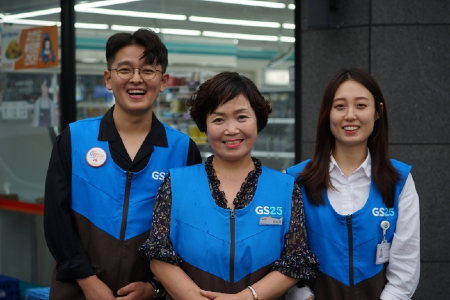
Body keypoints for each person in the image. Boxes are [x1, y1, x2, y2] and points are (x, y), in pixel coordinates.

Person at [44, 28, 202, 300]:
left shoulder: (182, 150)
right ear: (108, 78)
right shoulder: (75, 139)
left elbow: (187, 231)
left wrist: (154, 287)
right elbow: (56, 218)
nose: (136, 79)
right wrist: (87, 280)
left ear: (163, 81)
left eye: (148, 70)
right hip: (77, 291)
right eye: (125, 70)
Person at [139, 72, 319, 300]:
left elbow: (295, 261)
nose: (231, 129)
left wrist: (246, 297)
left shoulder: (285, 188)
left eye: (242, 117)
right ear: (204, 125)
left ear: (258, 120)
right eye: (218, 119)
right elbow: (158, 256)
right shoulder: (175, 184)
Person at [285, 68, 420, 300]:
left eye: (360, 105)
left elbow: (406, 262)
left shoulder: (400, 179)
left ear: (378, 112)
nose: (350, 115)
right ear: (327, 113)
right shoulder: (296, 180)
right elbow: (286, 256)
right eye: (339, 106)